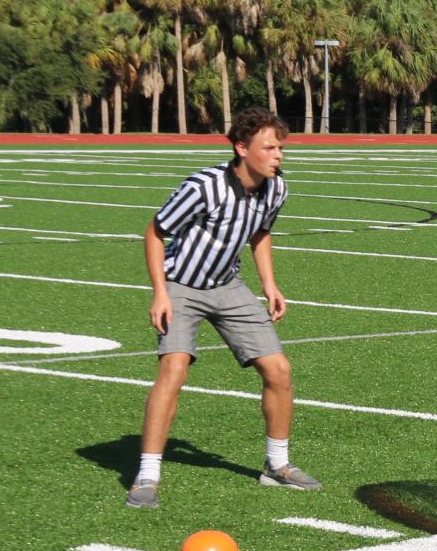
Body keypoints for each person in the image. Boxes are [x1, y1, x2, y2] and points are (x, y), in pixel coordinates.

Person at [127, 107, 319, 508]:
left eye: (280, 147)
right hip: (181, 284)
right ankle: (147, 474)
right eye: (268, 148)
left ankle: (277, 467)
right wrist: (160, 293)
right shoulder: (203, 187)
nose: (278, 155)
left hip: (228, 285)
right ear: (241, 148)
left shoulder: (276, 187)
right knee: (174, 369)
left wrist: (269, 284)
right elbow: (155, 233)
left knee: (279, 370)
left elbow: (261, 232)